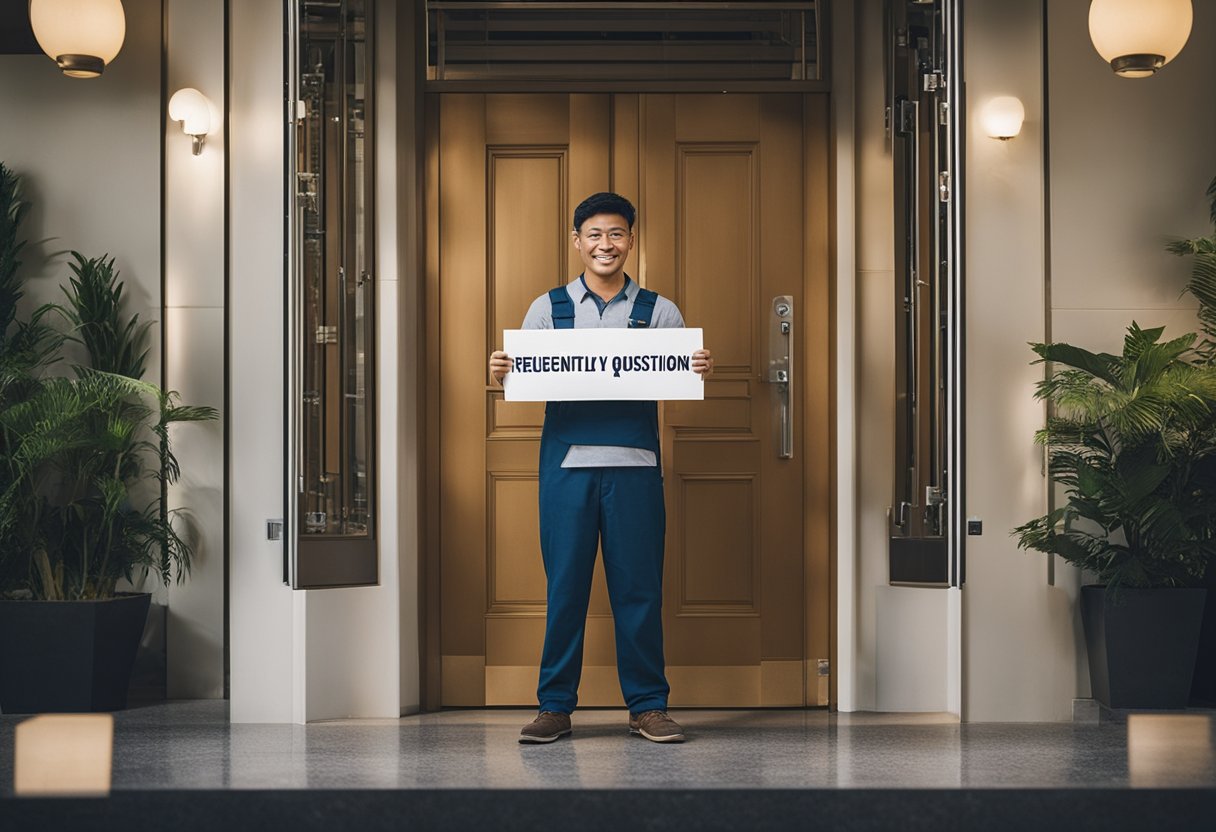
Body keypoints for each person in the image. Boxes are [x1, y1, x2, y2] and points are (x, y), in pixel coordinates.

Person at [489, 192, 713, 744]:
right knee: (566, 588)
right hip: (567, 469)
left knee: (638, 590)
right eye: (594, 235)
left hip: (635, 469)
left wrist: (697, 366)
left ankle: (648, 705)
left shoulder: (659, 312)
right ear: (577, 243)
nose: (605, 245)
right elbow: (523, 378)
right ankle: (555, 706)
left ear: (630, 241)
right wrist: (502, 372)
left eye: (615, 234)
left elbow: (678, 380)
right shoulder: (547, 310)